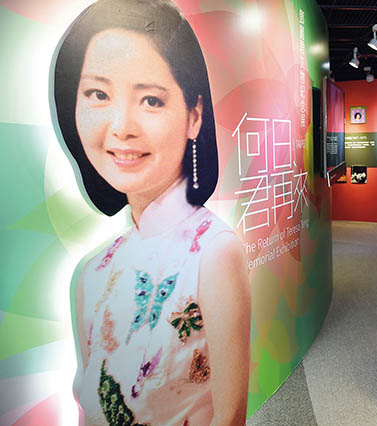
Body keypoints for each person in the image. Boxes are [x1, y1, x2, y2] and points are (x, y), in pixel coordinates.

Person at [52, 1, 251, 425]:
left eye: (150, 100)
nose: (122, 126)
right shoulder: (92, 273)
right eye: (99, 94)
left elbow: (230, 416)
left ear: (194, 115)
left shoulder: (214, 254)